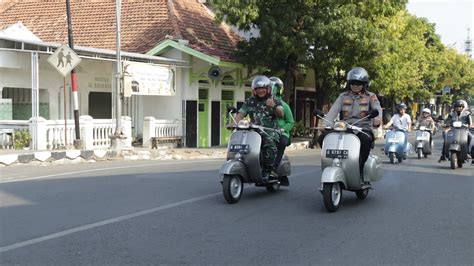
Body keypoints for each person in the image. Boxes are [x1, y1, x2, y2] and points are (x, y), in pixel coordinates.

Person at [317, 67, 382, 178]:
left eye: (358, 83)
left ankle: (359, 168)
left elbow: (377, 109)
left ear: (364, 84)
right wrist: (325, 124)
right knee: (323, 137)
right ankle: (332, 163)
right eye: (352, 83)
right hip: (344, 127)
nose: (355, 86)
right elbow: (333, 111)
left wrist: (377, 120)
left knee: (366, 141)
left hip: (363, 128)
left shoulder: (371, 96)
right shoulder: (343, 96)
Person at [233, 75, 284, 179]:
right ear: (254, 90)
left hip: (270, 131)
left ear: (268, 89)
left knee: (269, 143)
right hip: (253, 130)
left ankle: (269, 169)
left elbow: (281, 114)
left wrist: (273, 106)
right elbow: (241, 114)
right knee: (238, 142)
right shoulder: (250, 101)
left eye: (263, 88)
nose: (261, 91)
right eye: (258, 89)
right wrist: (234, 123)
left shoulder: (274, 100)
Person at [269, 77, 295, 168]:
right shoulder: (262, 104)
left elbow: (290, 122)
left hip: (281, 132)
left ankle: (274, 167)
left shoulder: (284, 105)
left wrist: (283, 129)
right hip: (267, 131)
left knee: (282, 142)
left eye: (273, 86)